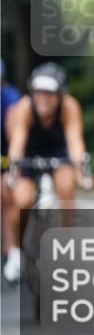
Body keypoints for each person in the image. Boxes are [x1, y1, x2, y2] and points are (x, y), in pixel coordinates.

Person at [3, 62, 88, 283]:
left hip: (59, 153)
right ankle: (15, 252)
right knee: (21, 199)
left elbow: (75, 140)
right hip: (30, 153)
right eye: (39, 92)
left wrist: (80, 167)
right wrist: (14, 167)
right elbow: (17, 141)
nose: (43, 98)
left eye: (49, 93)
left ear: (60, 94)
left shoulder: (69, 107)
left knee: (66, 186)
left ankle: (67, 246)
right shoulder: (24, 107)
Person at [1, 59, 22, 267]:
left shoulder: (11, 98)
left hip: (6, 154)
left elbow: (13, 134)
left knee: (6, 192)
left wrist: (10, 166)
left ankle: (10, 247)